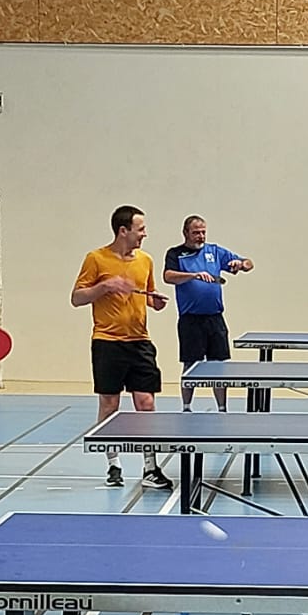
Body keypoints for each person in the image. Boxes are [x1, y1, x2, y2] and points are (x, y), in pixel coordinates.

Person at [73, 204, 172, 490]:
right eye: (141, 229)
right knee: (110, 404)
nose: (145, 234)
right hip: (107, 342)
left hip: (140, 341)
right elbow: (77, 298)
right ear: (123, 231)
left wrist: (155, 301)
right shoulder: (96, 259)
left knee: (146, 403)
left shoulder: (146, 260)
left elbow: (147, 295)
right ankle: (113, 464)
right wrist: (105, 286)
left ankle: (150, 468)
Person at [164, 214, 254, 411]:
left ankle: (222, 408)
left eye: (203, 232)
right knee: (190, 364)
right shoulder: (175, 254)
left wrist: (241, 264)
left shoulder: (214, 251)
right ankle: (186, 407)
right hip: (190, 320)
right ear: (185, 233)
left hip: (215, 318)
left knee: (218, 366)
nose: (201, 236)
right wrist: (193, 275)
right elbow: (168, 276)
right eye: (196, 232)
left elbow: (248, 263)